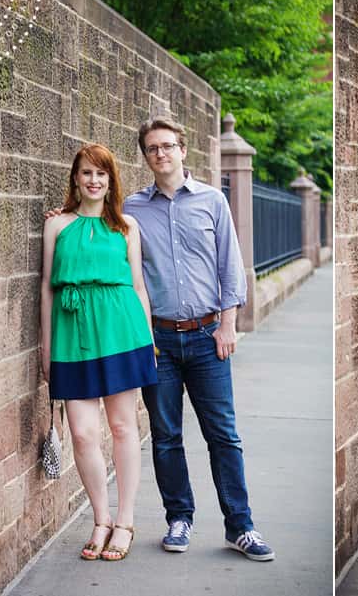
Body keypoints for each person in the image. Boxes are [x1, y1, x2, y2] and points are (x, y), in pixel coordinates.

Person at [124, 117, 275, 561]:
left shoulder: (212, 201)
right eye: (152, 148)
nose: (161, 154)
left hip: (209, 336)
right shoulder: (133, 209)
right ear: (145, 155)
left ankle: (240, 526)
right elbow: (95, 217)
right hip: (159, 342)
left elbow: (231, 265)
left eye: (168, 146)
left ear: (183, 150)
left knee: (223, 435)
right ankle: (179, 518)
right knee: (166, 434)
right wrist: (64, 216)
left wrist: (228, 325)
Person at [40, 144, 158, 561]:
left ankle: (125, 521)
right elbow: (46, 289)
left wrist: (148, 343)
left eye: (101, 174)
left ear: (111, 181)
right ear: (75, 178)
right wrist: (45, 345)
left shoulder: (127, 226)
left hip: (121, 332)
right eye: (87, 173)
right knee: (83, 433)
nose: (94, 180)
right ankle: (101, 518)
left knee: (123, 427)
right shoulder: (57, 226)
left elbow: (139, 288)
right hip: (72, 335)